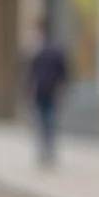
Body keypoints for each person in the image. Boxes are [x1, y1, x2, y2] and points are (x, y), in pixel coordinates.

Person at [28, 22, 68, 165]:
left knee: (46, 122)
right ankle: (47, 151)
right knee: (46, 122)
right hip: (44, 92)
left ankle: (47, 151)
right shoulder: (41, 50)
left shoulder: (45, 51)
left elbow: (63, 72)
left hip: (47, 91)